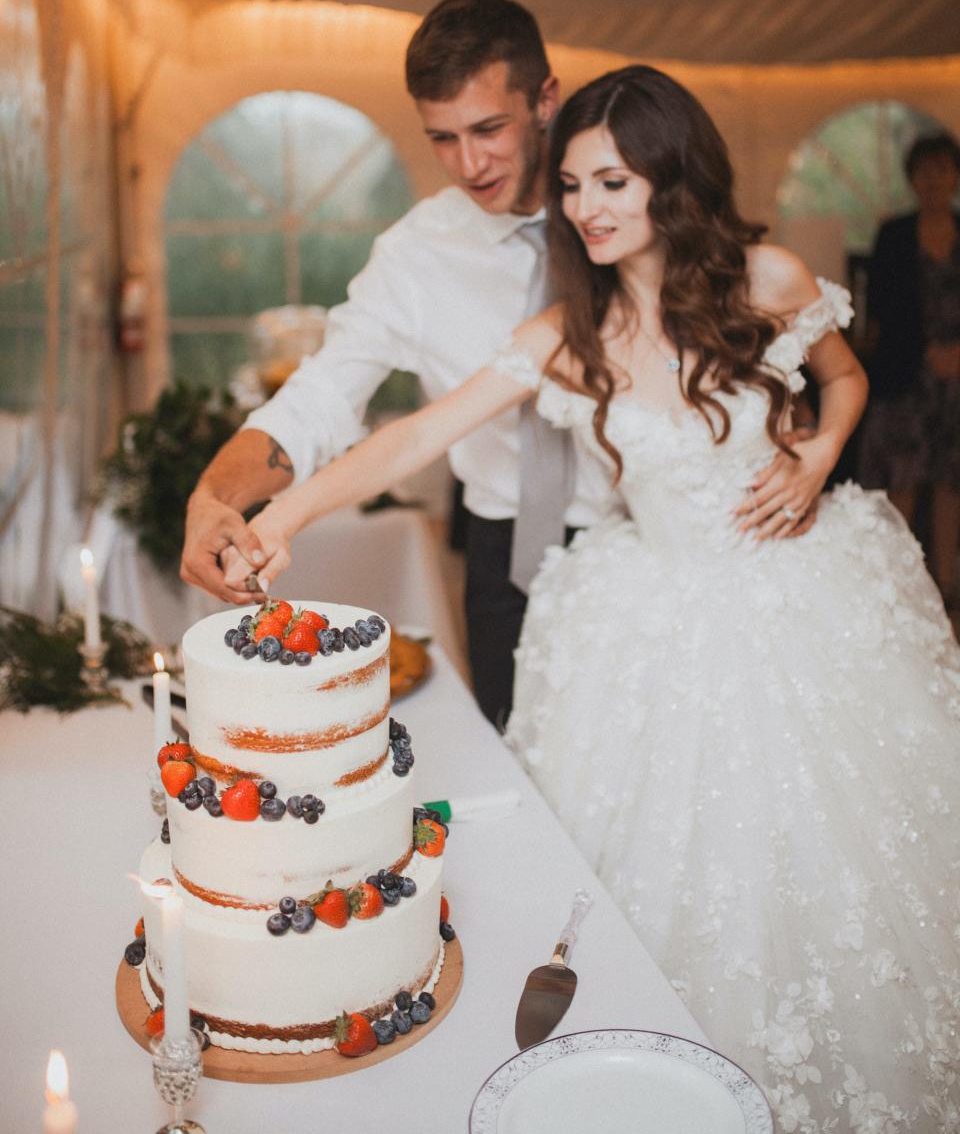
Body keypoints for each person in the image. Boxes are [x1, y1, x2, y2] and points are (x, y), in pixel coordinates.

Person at [222, 65, 960, 1128]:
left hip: (803, 607)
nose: (586, 208)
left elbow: (844, 378)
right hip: (649, 617)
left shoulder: (771, 281)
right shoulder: (569, 340)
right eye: (571, 185)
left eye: (612, 181)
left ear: (672, 176)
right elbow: (411, 435)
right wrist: (279, 519)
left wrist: (818, 456)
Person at [181, 0, 627, 727]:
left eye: (489, 129)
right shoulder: (414, 255)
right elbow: (318, 399)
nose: (470, 163)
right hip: (503, 564)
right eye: (443, 138)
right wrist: (216, 499)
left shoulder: (624, 206)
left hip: (641, 536)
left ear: (545, 99)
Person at [858, 132, 960, 610]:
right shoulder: (894, 235)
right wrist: (926, 352)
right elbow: (882, 307)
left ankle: (947, 583)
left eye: (943, 169)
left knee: (950, 481)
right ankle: (902, 582)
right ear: (912, 178)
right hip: (907, 373)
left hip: (957, 378)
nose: (934, 179)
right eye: (925, 170)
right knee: (904, 479)